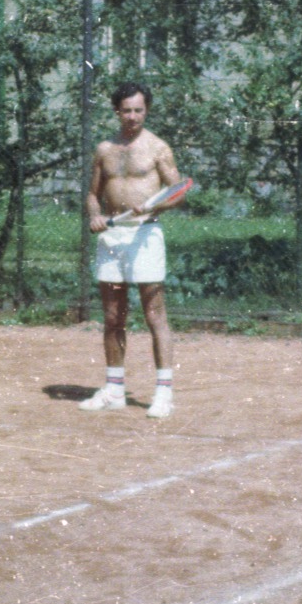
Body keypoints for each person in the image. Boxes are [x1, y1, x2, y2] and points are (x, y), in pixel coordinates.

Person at [80, 82, 181, 418]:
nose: (133, 116)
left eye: (139, 110)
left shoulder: (158, 148)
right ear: (117, 111)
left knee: (154, 314)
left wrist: (153, 209)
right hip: (112, 238)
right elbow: (93, 194)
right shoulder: (104, 149)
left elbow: (178, 190)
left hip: (145, 236)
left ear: (146, 110)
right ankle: (114, 390)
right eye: (127, 110)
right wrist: (95, 215)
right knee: (112, 317)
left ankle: (163, 393)